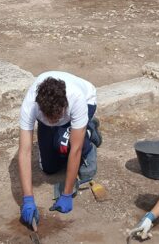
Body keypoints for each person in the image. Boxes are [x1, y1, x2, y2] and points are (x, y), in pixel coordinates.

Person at [18, 71, 102, 230]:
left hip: (87, 100)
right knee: (49, 168)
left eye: (56, 117)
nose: (52, 121)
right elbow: (24, 151)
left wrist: (67, 193)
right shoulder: (31, 105)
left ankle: (89, 131)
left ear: (64, 106)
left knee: (64, 145)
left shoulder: (76, 99)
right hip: (53, 109)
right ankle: (67, 130)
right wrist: (28, 199)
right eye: (48, 118)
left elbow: (75, 150)